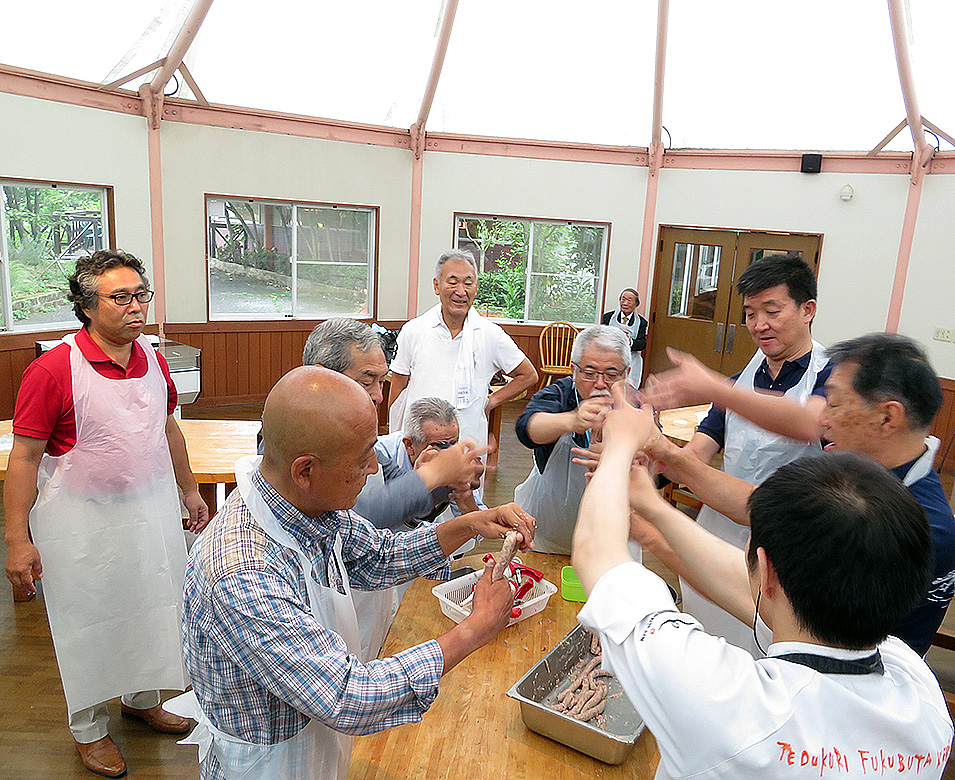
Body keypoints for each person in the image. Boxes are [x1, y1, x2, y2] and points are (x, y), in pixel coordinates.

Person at [571, 384, 953, 779]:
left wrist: (619, 446)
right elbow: (752, 587)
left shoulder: (735, 705)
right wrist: (652, 506)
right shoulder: (918, 687)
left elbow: (597, 554)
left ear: (766, 570)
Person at [173, 366, 536, 780]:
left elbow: (378, 555)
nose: (373, 470)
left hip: (313, 735)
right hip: (267, 764)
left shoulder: (304, 505)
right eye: (363, 457)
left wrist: (469, 523)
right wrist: (476, 628)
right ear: (305, 470)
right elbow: (349, 697)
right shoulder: (244, 571)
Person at [3, 250, 209, 778]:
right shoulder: (53, 369)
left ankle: (141, 700)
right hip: (79, 525)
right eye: (121, 297)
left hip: (149, 514)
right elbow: (24, 458)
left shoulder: (153, 359)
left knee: (149, 605)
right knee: (89, 622)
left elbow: (167, 431)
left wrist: (189, 493)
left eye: (141, 295)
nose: (136, 307)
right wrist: (17, 539)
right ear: (87, 306)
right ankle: (89, 727)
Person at [643, 333, 955, 657]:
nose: (822, 419)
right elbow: (757, 502)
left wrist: (651, 529)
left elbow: (777, 612)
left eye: (833, 404)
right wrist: (668, 456)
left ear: (888, 417)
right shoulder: (857, 473)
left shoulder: (920, 529)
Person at [641, 252, 830, 651]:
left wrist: (714, 387)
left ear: (807, 309)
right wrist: (651, 458)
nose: (758, 325)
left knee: (764, 642)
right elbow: (699, 451)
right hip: (722, 531)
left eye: (772, 311)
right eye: (749, 313)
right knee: (708, 635)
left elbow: (807, 423)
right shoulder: (743, 378)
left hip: (786, 544)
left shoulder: (832, 374)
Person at [298, 319, 486, 661]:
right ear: (321, 376)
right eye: (367, 380)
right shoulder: (300, 437)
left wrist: (467, 509)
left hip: (365, 603)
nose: (378, 395)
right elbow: (363, 515)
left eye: (381, 382)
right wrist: (429, 477)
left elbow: (378, 550)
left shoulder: (353, 435)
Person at [387, 249, 538, 451]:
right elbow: (398, 386)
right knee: (418, 482)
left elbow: (528, 375)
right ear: (436, 286)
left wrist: (490, 402)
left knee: (464, 481)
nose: (461, 291)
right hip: (420, 441)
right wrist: (394, 437)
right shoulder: (414, 330)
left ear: (476, 287)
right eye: (452, 281)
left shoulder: (490, 334)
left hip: (468, 437)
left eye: (468, 283)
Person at [514, 325, 639, 556]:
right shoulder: (559, 395)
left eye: (611, 375)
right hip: (550, 539)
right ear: (574, 370)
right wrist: (572, 420)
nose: (600, 384)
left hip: (613, 542)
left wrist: (623, 455)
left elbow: (657, 466)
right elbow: (527, 429)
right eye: (589, 373)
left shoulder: (636, 406)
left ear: (627, 373)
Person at [601, 287, 647, 389]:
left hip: (631, 359)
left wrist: (629, 341)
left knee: (628, 388)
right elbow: (601, 337)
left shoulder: (641, 322)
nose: (625, 303)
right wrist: (616, 335)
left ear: (636, 304)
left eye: (629, 300)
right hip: (610, 356)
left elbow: (642, 344)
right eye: (623, 299)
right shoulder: (608, 317)